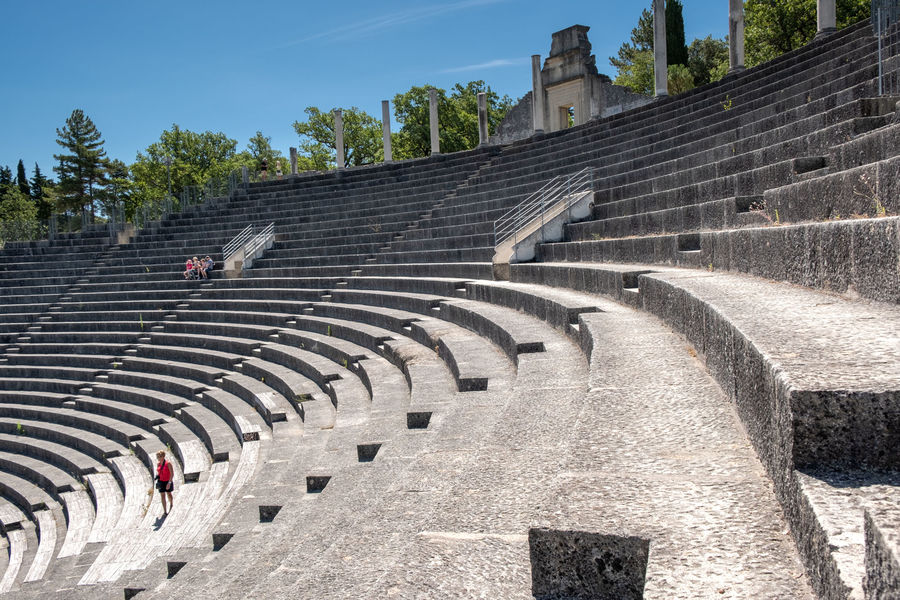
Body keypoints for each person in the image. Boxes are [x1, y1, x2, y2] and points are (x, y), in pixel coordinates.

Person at [155, 450, 174, 515]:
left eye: (159, 457)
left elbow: (172, 473)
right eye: (157, 457)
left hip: (167, 481)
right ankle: (165, 511)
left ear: (163, 456)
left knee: (169, 493)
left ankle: (171, 503)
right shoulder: (158, 464)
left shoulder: (168, 463)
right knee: (162, 495)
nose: (158, 458)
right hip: (161, 481)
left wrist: (169, 482)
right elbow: (159, 472)